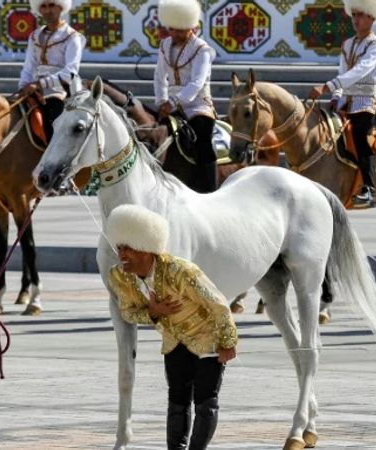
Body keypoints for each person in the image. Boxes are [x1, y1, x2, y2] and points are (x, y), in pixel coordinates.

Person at [105, 204, 238, 450]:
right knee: (177, 400)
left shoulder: (180, 270)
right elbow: (127, 312)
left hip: (208, 338)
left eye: (128, 248)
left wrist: (228, 342)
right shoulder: (120, 276)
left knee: (205, 401)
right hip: (173, 342)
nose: (121, 254)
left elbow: (219, 305)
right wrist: (154, 313)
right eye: (119, 247)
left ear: (146, 249)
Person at [308, 0, 376, 208]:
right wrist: (335, 96)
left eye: (360, 15)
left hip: (366, 103)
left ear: (372, 17)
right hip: (345, 103)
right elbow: (342, 73)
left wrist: (327, 86)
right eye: (353, 15)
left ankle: (370, 189)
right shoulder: (347, 44)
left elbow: (359, 72)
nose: (356, 20)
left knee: (361, 137)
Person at [154, 0, 218, 193]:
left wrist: (173, 101)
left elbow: (197, 83)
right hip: (170, 105)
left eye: (180, 30)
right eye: (172, 29)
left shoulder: (202, 49)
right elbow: (159, 76)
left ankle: (209, 188)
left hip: (198, 105)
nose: (175, 34)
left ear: (191, 27)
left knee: (203, 138)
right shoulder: (165, 45)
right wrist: (161, 101)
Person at [18, 0, 85, 144]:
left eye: (51, 5)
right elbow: (28, 66)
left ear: (61, 7)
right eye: (43, 6)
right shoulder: (34, 36)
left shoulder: (72, 37)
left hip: (61, 91)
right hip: (34, 89)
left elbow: (70, 73)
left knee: (55, 121)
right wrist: (23, 86)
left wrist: (39, 84)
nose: (48, 10)